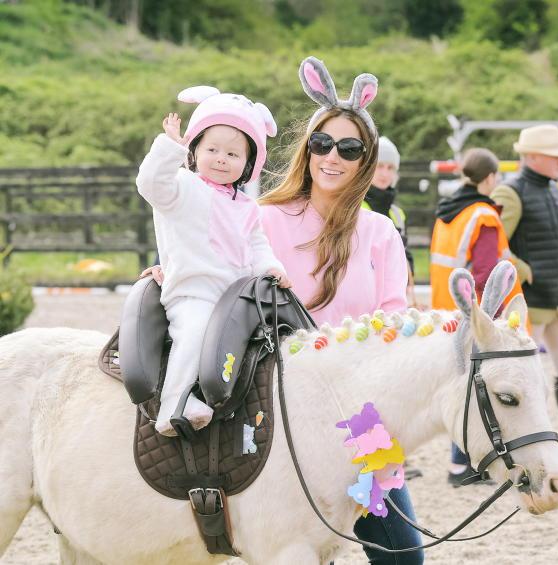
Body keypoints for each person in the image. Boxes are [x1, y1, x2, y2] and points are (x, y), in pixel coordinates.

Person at [149, 56, 423, 563]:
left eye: (349, 148)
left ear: (365, 160)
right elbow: (207, 254)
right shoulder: (263, 217)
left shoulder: (380, 232)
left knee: (403, 555)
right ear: (307, 149)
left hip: (361, 418)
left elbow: (394, 323)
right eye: (322, 143)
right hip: (281, 410)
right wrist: (169, 268)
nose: (332, 157)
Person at [136, 87, 289, 436]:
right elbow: (150, 185)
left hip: (237, 299)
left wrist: (271, 268)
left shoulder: (247, 207)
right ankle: (174, 404)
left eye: (233, 153)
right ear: (194, 150)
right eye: (212, 149)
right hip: (195, 293)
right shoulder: (183, 187)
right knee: (194, 333)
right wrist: (170, 148)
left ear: (248, 163)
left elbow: (257, 245)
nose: (221, 159)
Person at [429, 147, 522, 486]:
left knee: (461, 384)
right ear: (491, 177)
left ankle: (460, 464)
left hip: (445, 309)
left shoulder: (448, 213)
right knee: (473, 389)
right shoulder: (483, 215)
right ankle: (462, 464)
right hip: (475, 315)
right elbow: (484, 273)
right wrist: (492, 318)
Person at [490, 124, 558, 432]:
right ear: (532, 156)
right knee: (521, 375)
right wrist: (526, 272)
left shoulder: (555, 189)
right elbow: (496, 246)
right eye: (554, 155)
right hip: (529, 303)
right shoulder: (510, 192)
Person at [364, 136, 418, 307]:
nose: (385, 173)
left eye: (390, 168)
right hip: (364, 295)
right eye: (379, 166)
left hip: (392, 297)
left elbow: (404, 252)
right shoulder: (356, 207)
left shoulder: (397, 214)